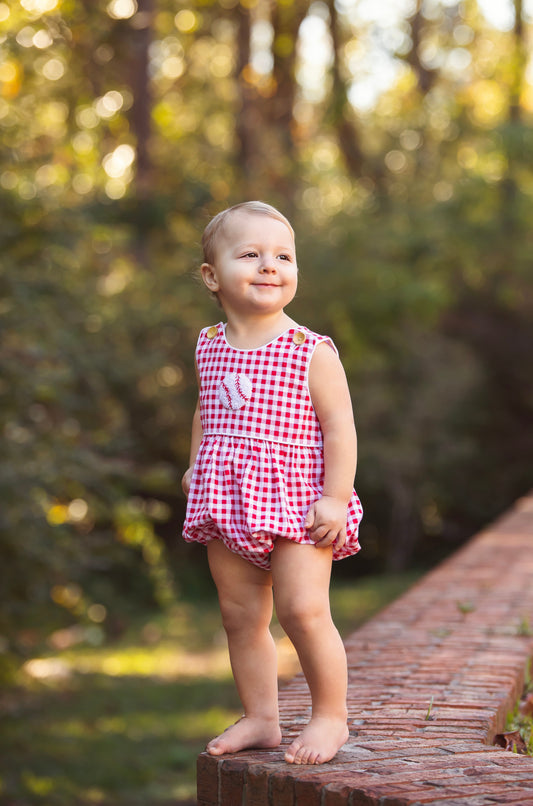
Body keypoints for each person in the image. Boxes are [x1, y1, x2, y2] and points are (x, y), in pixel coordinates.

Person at [182, 201, 362, 765]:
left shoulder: (310, 350)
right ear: (212, 276)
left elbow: (340, 429)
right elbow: (205, 410)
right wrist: (194, 465)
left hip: (299, 500)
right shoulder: (209, 344)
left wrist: (335, 496)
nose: (269, 266)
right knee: (240, 614)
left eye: (283, 256)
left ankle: (331, 716)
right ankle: (261, 717)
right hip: (227, 497)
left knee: (303, 610)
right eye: (251, 255)